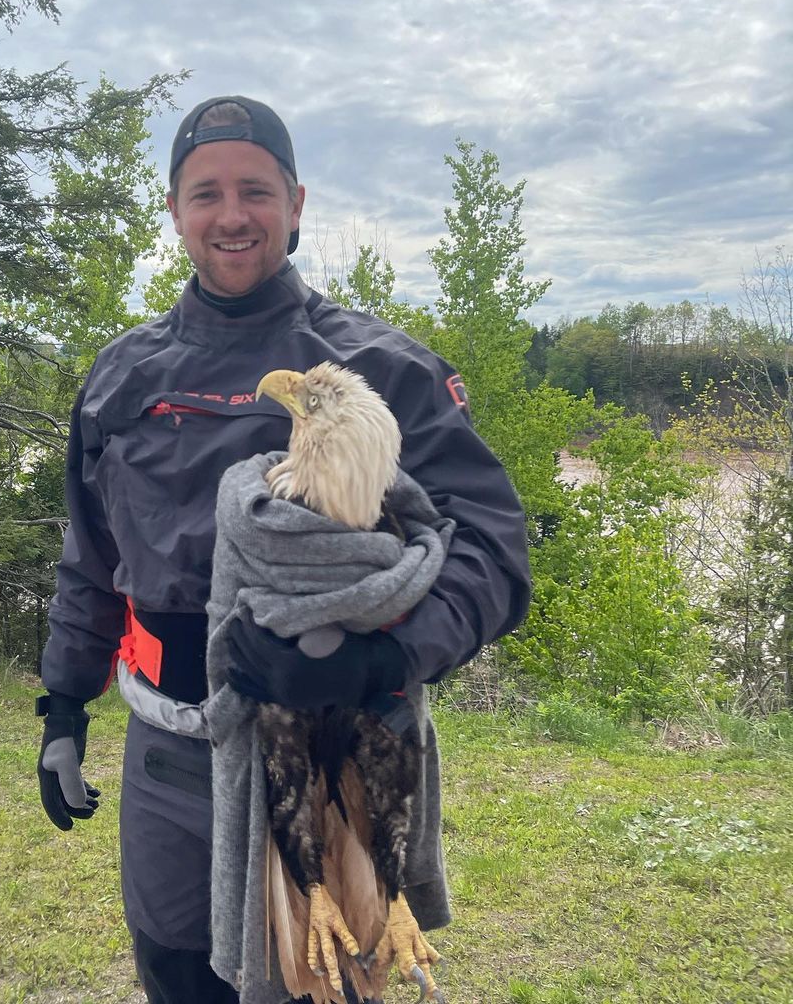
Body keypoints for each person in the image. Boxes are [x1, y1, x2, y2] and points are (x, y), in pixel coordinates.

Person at [36, 95, 532, 1004]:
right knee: (179, 976)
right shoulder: (122, 377)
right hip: (171, 756)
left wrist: (384, 657)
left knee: (326, 988)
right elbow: (90, 555)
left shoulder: (383, 370)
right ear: (176, 211)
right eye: (207, 193)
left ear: (296, 204)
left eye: (256, 191)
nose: (232, 215)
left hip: (336, 757)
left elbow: (495, 549)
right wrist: (64, 705)